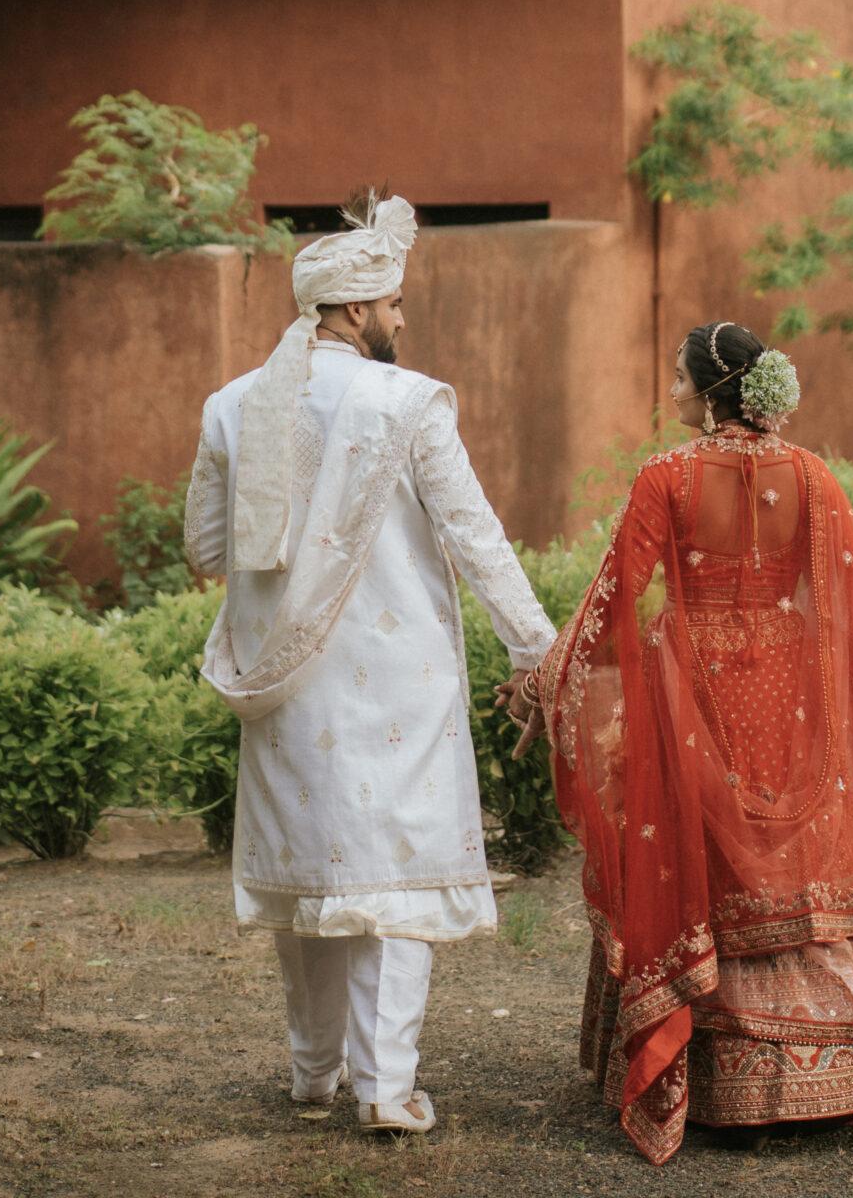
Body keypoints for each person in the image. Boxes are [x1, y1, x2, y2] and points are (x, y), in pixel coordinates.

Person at [510, 319, 853, 1166]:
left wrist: (546, 681)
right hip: (795, 686)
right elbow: (852, 611)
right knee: (802, 860)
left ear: (712, 392)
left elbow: (613, 596)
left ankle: (720, 1078)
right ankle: (847, 1069)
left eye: (679, 380)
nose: (670, 393)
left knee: (709, 862)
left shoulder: (666, 478)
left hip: (698, 686)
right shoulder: (813, 477)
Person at [184, 187, 556, 1135]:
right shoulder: (406, 402)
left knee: (313, 878)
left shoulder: (231, 405)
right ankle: (385, 1091)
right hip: (398, 682)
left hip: (283, 684)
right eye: (392, 304)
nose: (401, 319)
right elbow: (474, 535)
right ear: (353, 310)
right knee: (391, 883)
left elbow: (207, 546)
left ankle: (314, 1078)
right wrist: (539, 650)